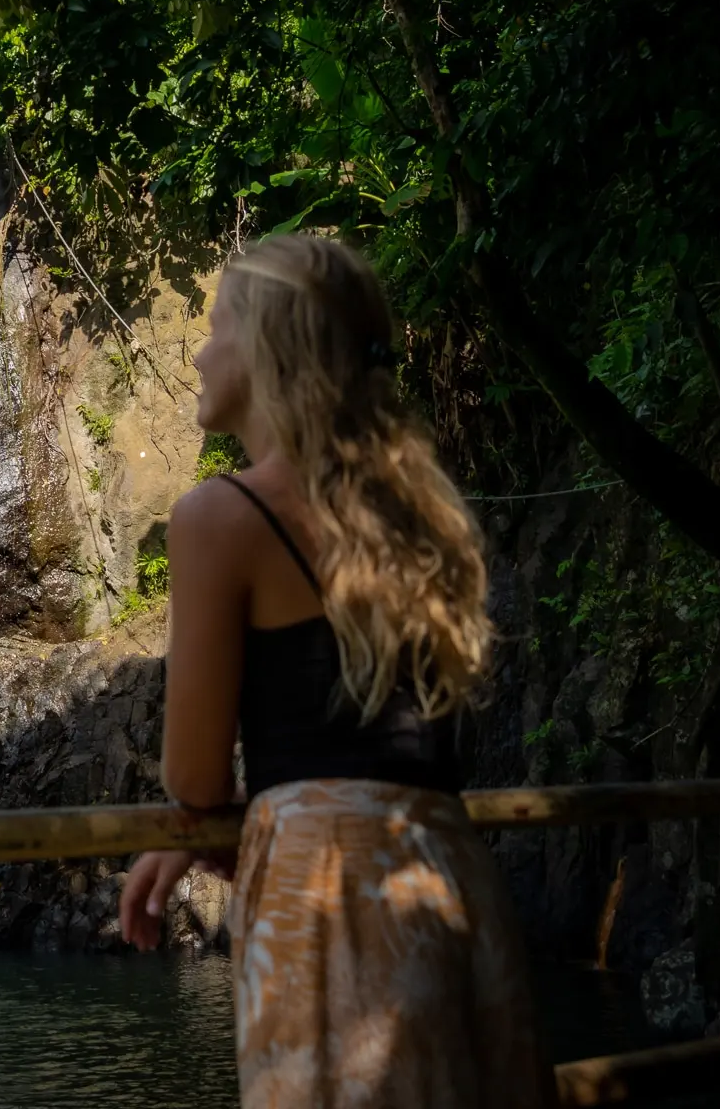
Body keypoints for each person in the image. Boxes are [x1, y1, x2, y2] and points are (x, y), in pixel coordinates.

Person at [118, 235, 549, 1108]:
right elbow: (387, 752)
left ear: (266, 349)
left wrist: (195, 822)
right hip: (450, 881)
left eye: (214, 328)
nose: (198, 355)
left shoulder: (220, 517)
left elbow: (194, 777)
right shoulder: (416, 521)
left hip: (328, 895)